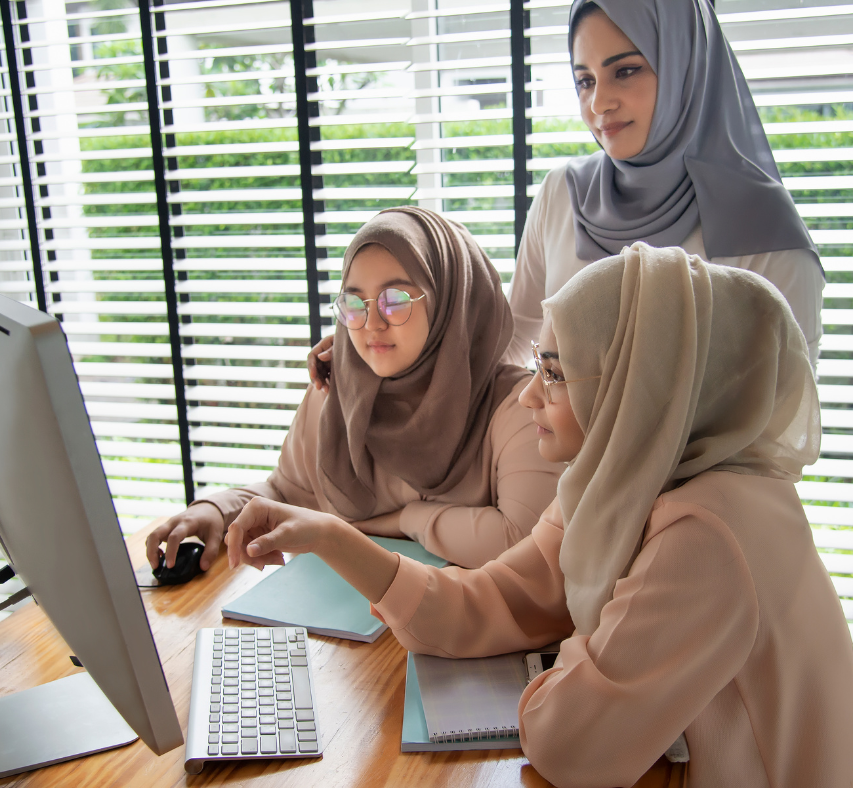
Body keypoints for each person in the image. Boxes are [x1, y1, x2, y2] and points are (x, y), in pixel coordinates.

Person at [227, 243, 853, 787]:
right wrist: (334, 538)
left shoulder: (708, 530)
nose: (529, 394)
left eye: (555, 372)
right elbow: (487, 603)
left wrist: (579, 637)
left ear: (638, 387)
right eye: (537, 366)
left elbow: (572, 748)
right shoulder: (615, 488)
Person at [306, 0, 824, 388]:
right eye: (583, 80)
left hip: (691, 517)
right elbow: (511, 349)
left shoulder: (761, 226)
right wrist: (374, 353)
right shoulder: (563, 194)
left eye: (626, 70)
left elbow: (780, 423)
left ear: (688, 65)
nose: (600, 102)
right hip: (556, 500)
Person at [147, 206, 563, 572]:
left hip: (458, 642)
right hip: (345, 645)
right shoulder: (335, 394)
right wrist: (216, 509)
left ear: (455, 302)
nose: (371, 324)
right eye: (355, 303)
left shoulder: (521, 406)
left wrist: (405, 520)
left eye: (395, 300)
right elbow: (286, 493)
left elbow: (524, 541)